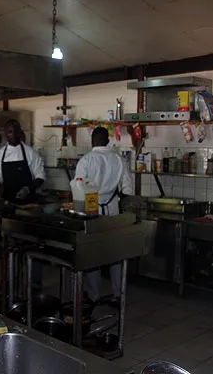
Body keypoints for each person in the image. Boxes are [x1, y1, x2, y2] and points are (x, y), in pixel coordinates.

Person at [75, 126, 133, 304]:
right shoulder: (118, 159)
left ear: (92, 140)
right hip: (113, 211)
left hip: (92, 213)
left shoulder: (86, 160)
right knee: (115, 254)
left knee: (93, 255)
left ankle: (94, 295)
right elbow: (128, 189)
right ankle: (118, 295)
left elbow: (78, 191)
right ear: (108, 141)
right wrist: (114, 198)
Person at [0, 120, 45, 203]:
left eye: (16, 131)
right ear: (5, 134)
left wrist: (27, 189)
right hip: (7, 202)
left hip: (28, 202)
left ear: (20, 132)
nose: (14, 135)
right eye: (10, 132)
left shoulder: (31, 152)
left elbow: (40, 176)